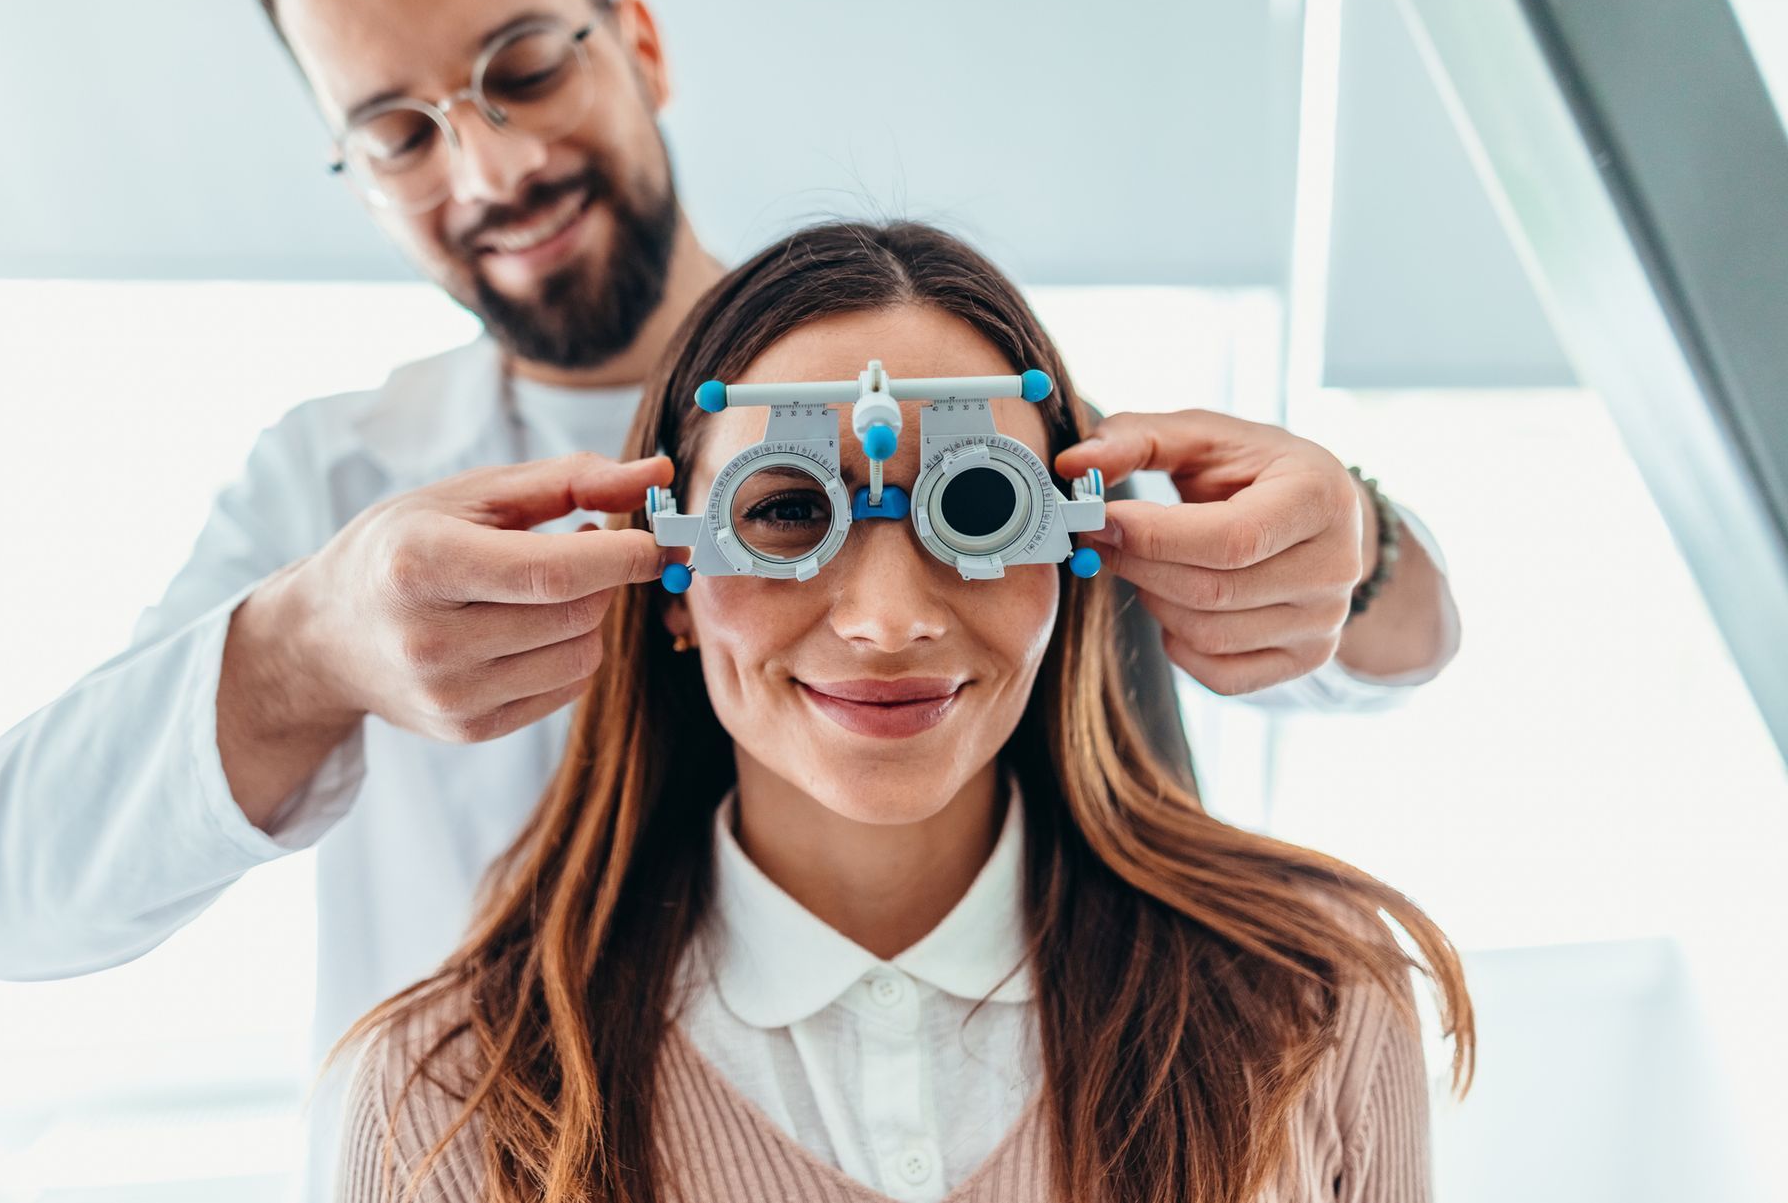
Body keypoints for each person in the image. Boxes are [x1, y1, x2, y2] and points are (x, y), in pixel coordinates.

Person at [0, 0, 1461, 1195]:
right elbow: (12, 896)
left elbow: (1391, 640)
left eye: (524, 68)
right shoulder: (329, 493)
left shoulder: (963, 386)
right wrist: (302, 650)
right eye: (399, 132)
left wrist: (1352, 537)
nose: (490, 168)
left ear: (638, 46)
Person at [334, 220, 1474, 1203]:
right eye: (784, 512)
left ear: (1073, 551)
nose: (888, 619)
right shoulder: (446, 1096)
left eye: (977, 504)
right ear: (668, 578)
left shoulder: (1311, 1011)